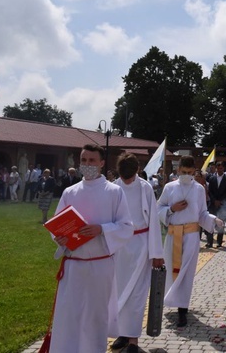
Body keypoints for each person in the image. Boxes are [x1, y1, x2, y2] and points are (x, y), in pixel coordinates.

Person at [47, 143, 134, 353]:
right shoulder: (70, 192)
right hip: (74, 265)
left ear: (102, 163)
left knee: (95, 317)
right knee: (70, 315)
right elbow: (57, 225)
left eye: (92, 160)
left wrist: (101, 229)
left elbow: (126, 227)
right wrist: (59, 237)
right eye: (84, 160)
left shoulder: (114, 192)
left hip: (100, 265)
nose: (87, 164)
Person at [157, 155, 224, 327]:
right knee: (173, 269)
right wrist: (172, 208)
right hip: (173, 235)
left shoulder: (199, 189)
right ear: (178, 170)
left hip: (191, 236)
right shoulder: (169, 187)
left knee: (186, 273)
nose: (186, 175)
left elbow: (202, 213)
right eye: (183, 172)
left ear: (195, 171)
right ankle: (171, 300)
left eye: (189, 172)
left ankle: (182, 311)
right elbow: (158, 208)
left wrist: (214, 219)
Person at [110, 153, 165, 353]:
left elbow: (153, 222)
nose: (127, 181)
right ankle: (121, 334)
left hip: (141, 246)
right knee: (118, 292)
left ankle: (133, 341)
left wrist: (156, 252)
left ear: (136, 171)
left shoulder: (145, 188)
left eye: (130, 176)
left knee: (137, 295)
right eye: (124, 177)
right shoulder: (114, 188)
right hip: (119, 247)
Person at [205, 161, 226, 248]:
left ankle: (219, 242)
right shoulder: (211, 178)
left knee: (220, 223)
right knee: (210, 223)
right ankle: (209, 242)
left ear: (224, 169)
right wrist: (214, 200)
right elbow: (210, 191)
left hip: (222, 205)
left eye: (221, 168)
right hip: (213, 204)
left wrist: (220, 201)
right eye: (218, 168)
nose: (219, 170)